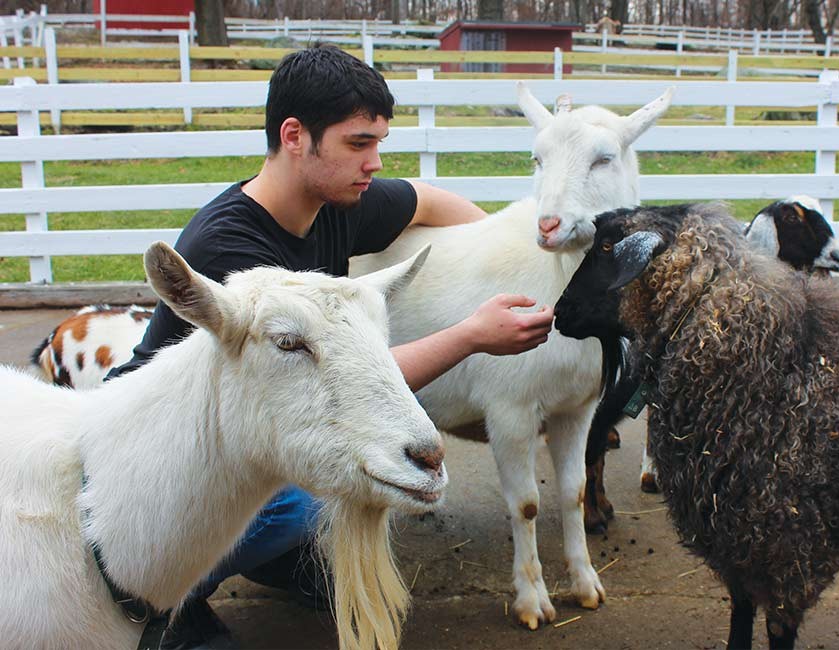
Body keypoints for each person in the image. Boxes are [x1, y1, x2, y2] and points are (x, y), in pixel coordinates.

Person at [106, 44, 554, 649]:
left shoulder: (334, 201)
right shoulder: (230, 252)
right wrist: (472, 334)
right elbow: (327, 389)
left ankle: (267, 556)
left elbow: (424, 196)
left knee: (313, 490)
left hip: (256, 430)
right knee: (313, 492)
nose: (373, 162)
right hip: (158, 466)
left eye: (378, 144)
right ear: (296, 136)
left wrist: (491, 265)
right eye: (358, 143)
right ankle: (171, 599)